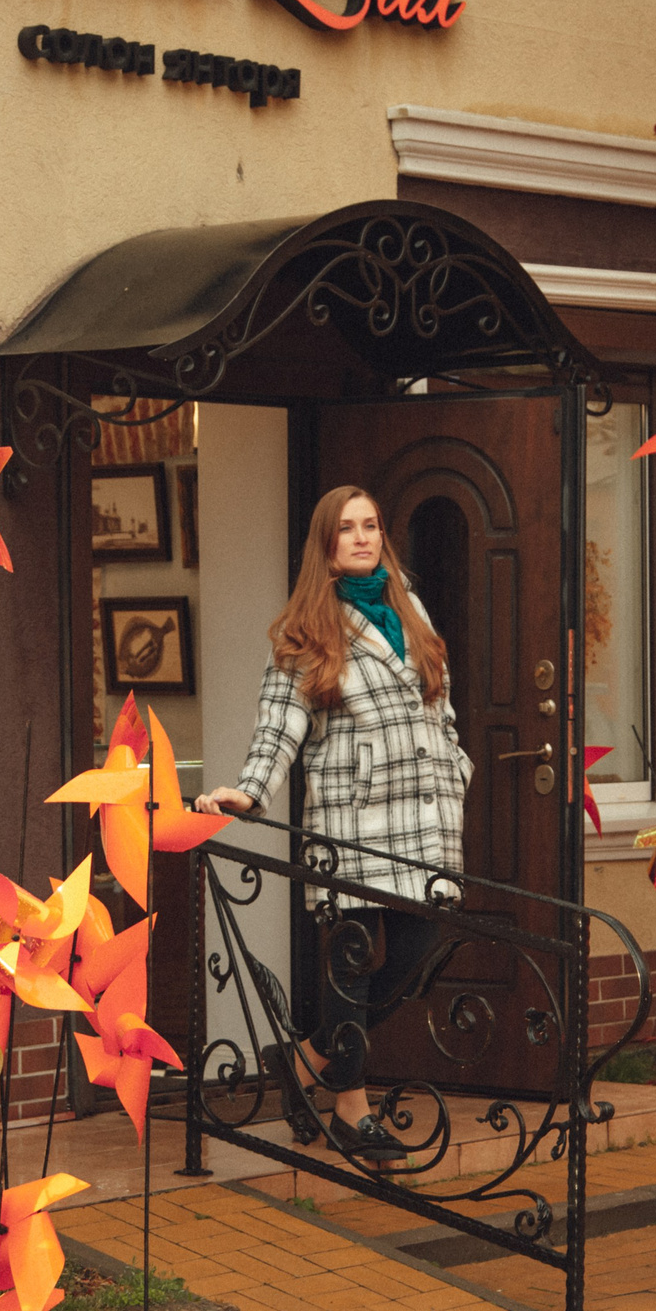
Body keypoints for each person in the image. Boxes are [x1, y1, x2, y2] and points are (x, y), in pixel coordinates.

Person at [195, 485, 473, 1160]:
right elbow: (278, 728)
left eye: (371, 525)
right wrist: (247, 790)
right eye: (346, 528)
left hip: (424, 821)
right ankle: (350, 1107)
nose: (361, 537)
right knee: (351, 967)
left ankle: (305, 1060)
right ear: (326, 544)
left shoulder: (411, 610)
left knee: (415, 955)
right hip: (352, 826)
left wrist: (456, 764)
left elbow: (440, 707)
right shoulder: (306, 631)